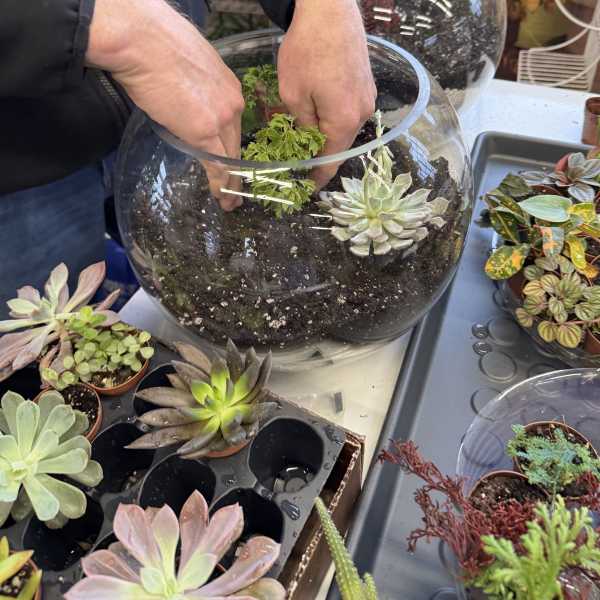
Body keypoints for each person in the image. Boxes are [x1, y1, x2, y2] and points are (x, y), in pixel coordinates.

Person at [0, 0, 375, 314]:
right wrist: (84, 20)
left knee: (179, 262)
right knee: (48, 333)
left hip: (176, 104)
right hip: (21, 161)